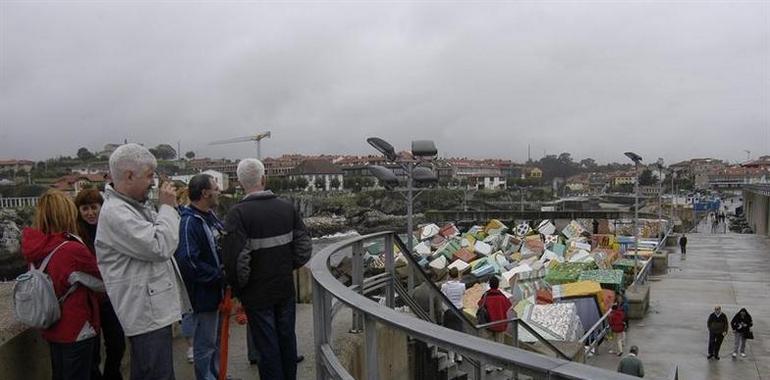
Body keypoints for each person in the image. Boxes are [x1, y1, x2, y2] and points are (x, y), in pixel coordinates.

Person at [95, 143, 191, 380]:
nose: (153, 182)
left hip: (150, 309)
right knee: (156, 374)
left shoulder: (130, 207)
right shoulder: (117, 213)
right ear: (129, 175)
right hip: (146, 314)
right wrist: (167, 207)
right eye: (149, 176)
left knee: (150, 372)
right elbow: (160, 246)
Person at [222, 158, 312, 380]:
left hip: (257, 293)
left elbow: (236, 262)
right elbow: (304, 247)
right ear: (264, 179)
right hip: (283, 287)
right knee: (286, 340)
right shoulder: (286, 208)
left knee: (267, 346)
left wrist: (240, 290)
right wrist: (286, 266)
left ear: (241, 182)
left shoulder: (238, 215)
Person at [22, 190, 103, 380]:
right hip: (77, 327)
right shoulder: (72, 249)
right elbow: (102, 283)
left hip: (51, 326)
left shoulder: (34, 247)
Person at [174, 174, 225, 380]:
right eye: (215, 188)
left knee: (215, 342)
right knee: (205, 345)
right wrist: (218, 275)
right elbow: (188, 261)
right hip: (204, 296)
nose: (219, 191)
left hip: (216, 292)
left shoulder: (209, 216)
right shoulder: (189, 223)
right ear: (205, 193)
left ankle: (217, 374)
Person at [75, 188, 126, 380]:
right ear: (78, 211)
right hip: (89, 300)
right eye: (85, 208)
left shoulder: (111, 229)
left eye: (94, 207)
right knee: (93, 348)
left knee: (117, 343)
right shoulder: (76, 236)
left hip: (111, 296)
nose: (90, 213)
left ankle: (112, 375)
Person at [440, 267, 465, 363]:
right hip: (459, 310)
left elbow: (442, 297)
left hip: (448, 311)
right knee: (459, 333)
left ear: (449, 275)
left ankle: (451, 358)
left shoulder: (444, 286)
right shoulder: (462, 286)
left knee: (449, 334)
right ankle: (459, 356)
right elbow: (463, 294)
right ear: (458, 275)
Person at [477, 276, 512, 343]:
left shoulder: (486, 296)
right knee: (499, 347)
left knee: (489, 346)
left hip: (488, 325)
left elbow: (480, 304)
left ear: (489, 285)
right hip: (500, 325)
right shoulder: (502, 297)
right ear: (498, 285)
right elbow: (508, 306)